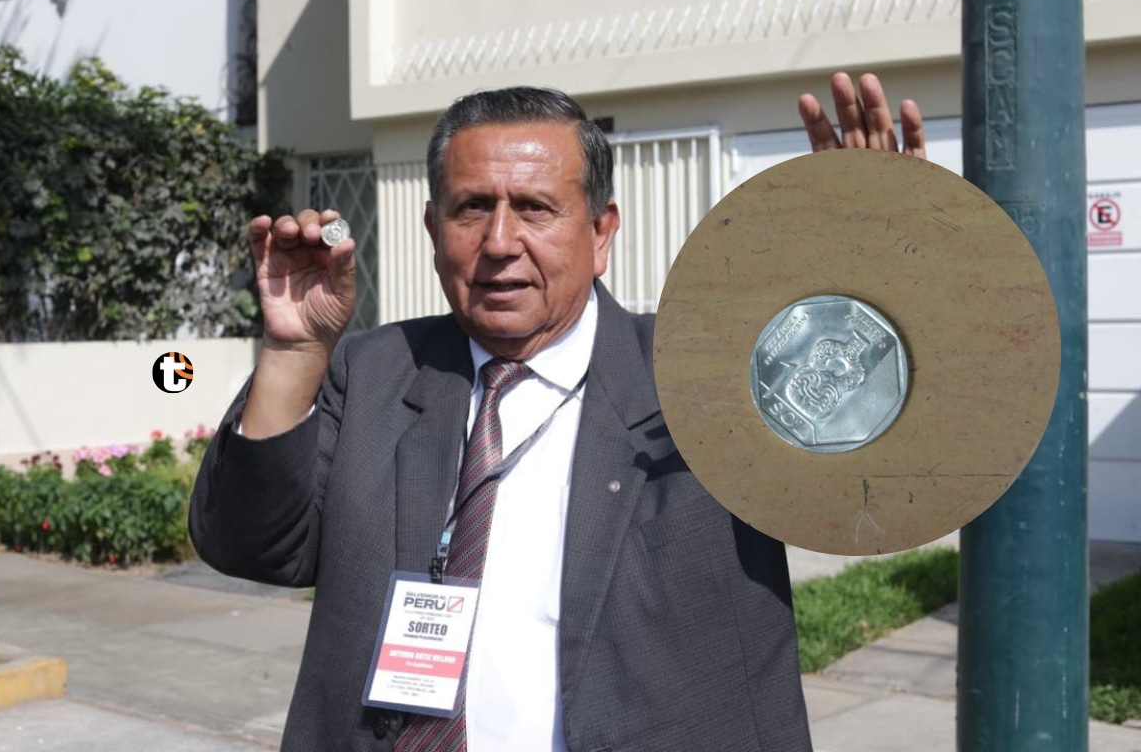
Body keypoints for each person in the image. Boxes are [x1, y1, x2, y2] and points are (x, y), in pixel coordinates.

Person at [189, 72, 926, 752]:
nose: (500, 244)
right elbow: (251, 545)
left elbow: (876, 467)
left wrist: (875, 282)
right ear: (432, 228)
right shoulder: (376, 373)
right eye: (472, 208)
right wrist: (293, 354)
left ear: (601, 233)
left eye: (536, 209)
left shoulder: (709, 378)